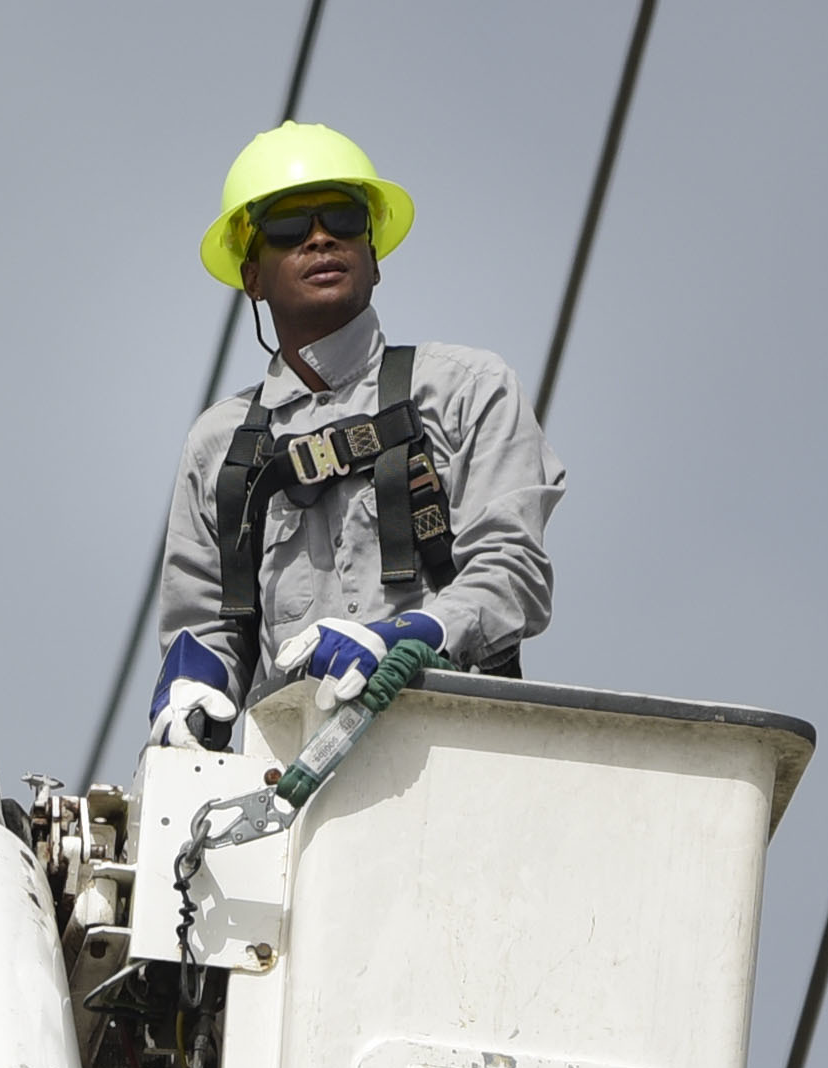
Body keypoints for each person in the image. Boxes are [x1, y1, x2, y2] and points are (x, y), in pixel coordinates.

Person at [142, 125, 558, 751]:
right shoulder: (221, 446)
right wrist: (191, 685)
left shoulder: (464, 389)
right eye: (288, 226)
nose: (320, 237)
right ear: (252, 275)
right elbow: (203, 627)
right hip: (288, 789)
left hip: (448, 753)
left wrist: (418, 634)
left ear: (374, 256)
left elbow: (513, 571)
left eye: (343, 216)